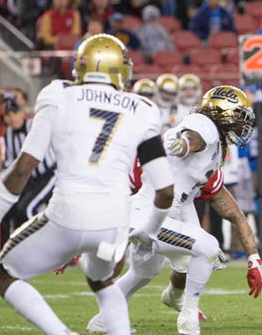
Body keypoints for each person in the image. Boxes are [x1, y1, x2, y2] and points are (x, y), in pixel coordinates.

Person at [0, 34, 174, 334]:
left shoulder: (58, 94)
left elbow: (24, 167)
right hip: (114, 223)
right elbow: (166, 189)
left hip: (66, 216)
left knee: (4, 274)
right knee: (101, 281)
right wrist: (147, 231)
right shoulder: (142, 108)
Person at [86, 85, 262, 335]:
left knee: (144, 272)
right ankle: (188, 318)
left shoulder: (215, 152)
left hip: (155, 213)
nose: (241, 124)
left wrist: (254, 259)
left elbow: (219, 209)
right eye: (238, 116)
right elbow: (190, 139)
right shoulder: (204, 126)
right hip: (151, 214)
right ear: (221, 111)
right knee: (208, 247)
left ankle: (103, 320)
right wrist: (180, 144)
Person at [0, 98, 56, 248]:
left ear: (21, 113)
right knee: (7, 212)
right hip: (28, 180)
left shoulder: (33, 125)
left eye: (14, 113)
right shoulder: (8, 135)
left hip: (49, 175)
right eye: (8, 115)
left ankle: (41, 247)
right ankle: (7, 251)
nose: (12, 118)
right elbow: (10, 163)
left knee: (27, 209)